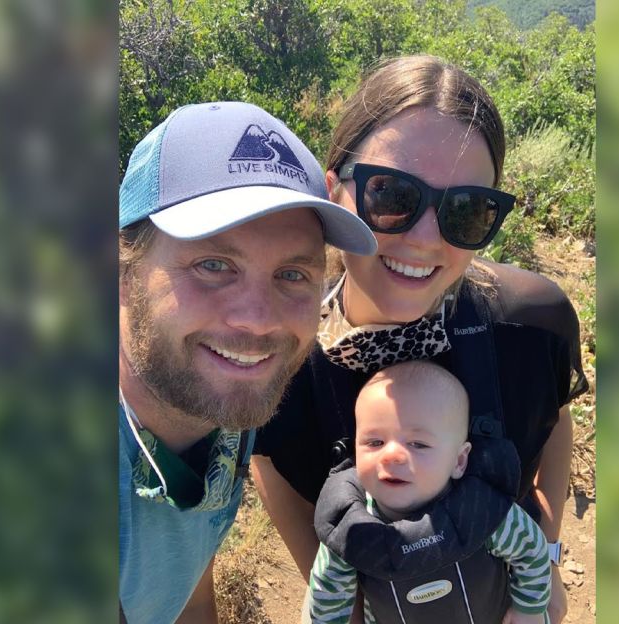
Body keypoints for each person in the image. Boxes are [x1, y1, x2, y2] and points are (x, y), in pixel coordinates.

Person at [251, 55, 588, 624]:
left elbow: (552, 425)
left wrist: (546, 558)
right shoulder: (281, 362)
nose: (427, 239)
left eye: (467, 209)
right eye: (392, 195)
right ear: (336, 191)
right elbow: (273, 460)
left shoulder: (531, 324)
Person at [118, 101, 376, 623]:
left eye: (292, 274)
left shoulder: (220, 402)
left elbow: (188, 587)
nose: (258, 322)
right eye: (213, 265)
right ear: (122, 272)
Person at [309, 360, 552, 624]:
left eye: (418, 444)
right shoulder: (351, 530)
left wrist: (528, 610)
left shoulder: (481, 512)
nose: (391, 455)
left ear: (459, 462)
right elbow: (327, 594)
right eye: (374, 442)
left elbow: (531, 550)